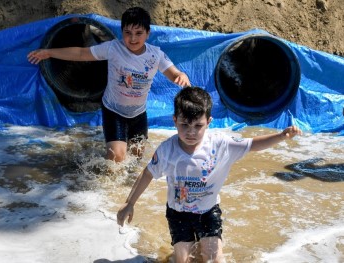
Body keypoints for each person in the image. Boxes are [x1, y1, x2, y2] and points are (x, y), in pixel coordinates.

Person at [116, 86, 302, 263]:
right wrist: (129, 203)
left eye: (198, 125)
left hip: (208, 212)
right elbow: (148, 173)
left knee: (214, 259)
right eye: (184, 125)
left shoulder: (220, 144)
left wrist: (280, 136)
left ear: (209, 122)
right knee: (183, 260)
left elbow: (252, 144)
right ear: (174, 120)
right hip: (178, 214)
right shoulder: (167, 150)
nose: (191, 132)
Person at [27, 7, 190, 162]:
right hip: (114, 111)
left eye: (138, 33)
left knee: (136, 158)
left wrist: (180, 76)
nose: (132, 39)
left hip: (138, 114)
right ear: (122, 32)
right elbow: (81, 53)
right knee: (116, 159)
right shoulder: (113, 48)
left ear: (148, 33)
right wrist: (49, 52)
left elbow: (173, 73)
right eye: (127, 33)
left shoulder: (156, 55)